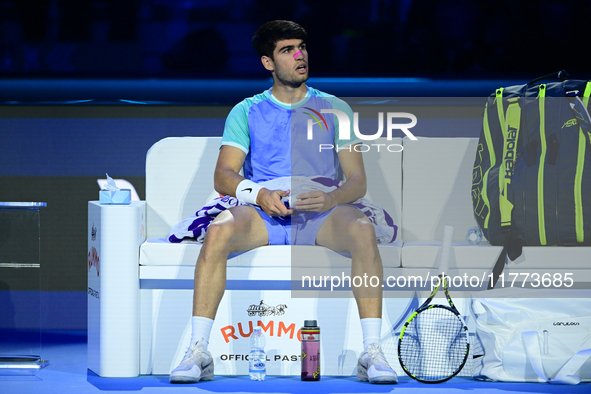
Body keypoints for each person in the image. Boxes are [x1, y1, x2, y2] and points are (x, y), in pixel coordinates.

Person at [169, 20, 398, 385]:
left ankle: (372, 353)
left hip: (321, 212)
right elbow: (224, 175)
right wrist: (259, 194)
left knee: (362, 229)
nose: (299, 55)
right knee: (218, 231)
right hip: (265, 212)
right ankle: (198, 350)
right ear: (268, 63)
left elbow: (357, 180)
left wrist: (331, 198)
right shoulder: (246, 111)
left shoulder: (335, 108)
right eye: (287, 50)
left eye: (302, 47)